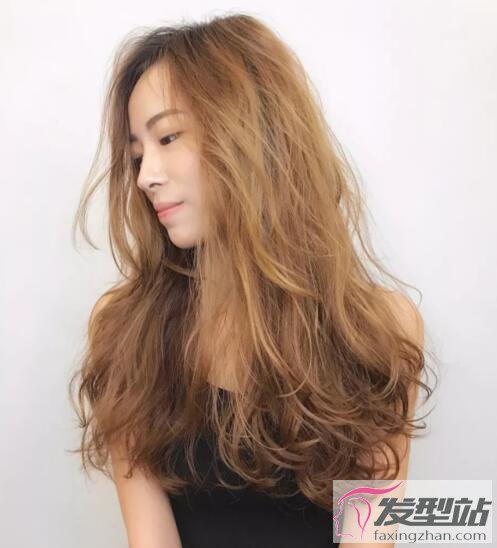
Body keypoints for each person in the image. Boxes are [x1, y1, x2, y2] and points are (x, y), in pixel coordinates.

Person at [69, 12, 435, 548]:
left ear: (253, 135)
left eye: (168, 137)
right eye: (138, 154)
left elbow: (369, 533)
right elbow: (150, 537)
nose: (146, 176)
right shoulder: (127, 330)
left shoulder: (375, 331)